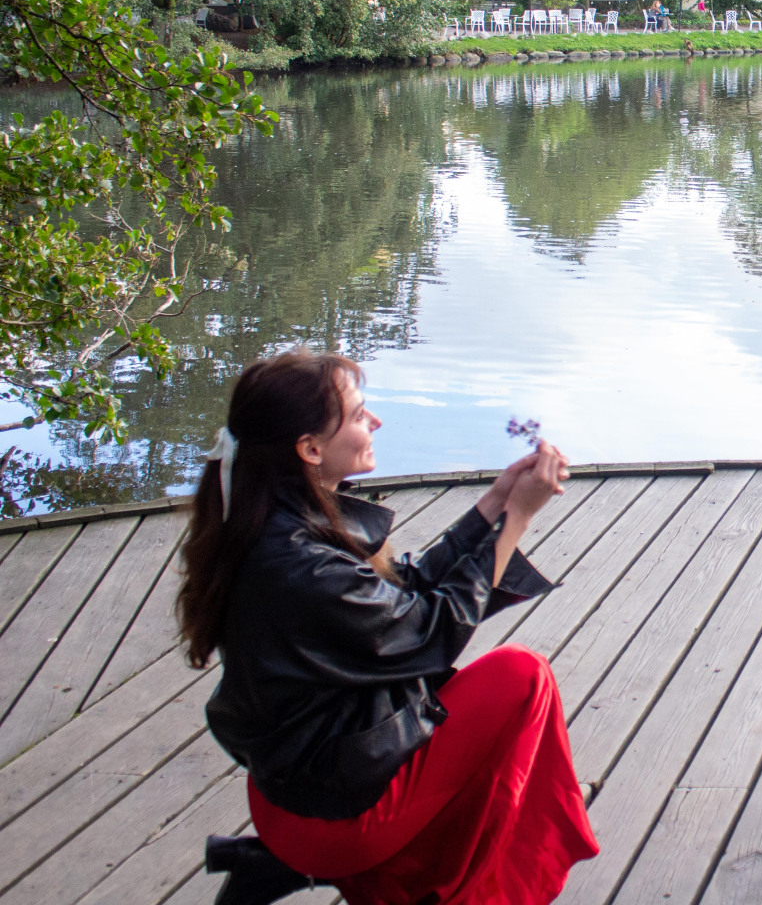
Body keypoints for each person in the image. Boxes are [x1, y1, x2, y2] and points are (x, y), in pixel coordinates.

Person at [177, 349, 599, 905]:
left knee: (483, 710)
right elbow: (431, 632)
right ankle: (479, 855)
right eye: (358, 415)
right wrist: (516, 519)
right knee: (523, 676)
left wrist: (494, 504)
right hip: (333, 816)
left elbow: (401, 595)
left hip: (294, 791)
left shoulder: (276, 519)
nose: (375, 421)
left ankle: (284, 866)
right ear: (309, 449)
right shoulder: (301, 565)